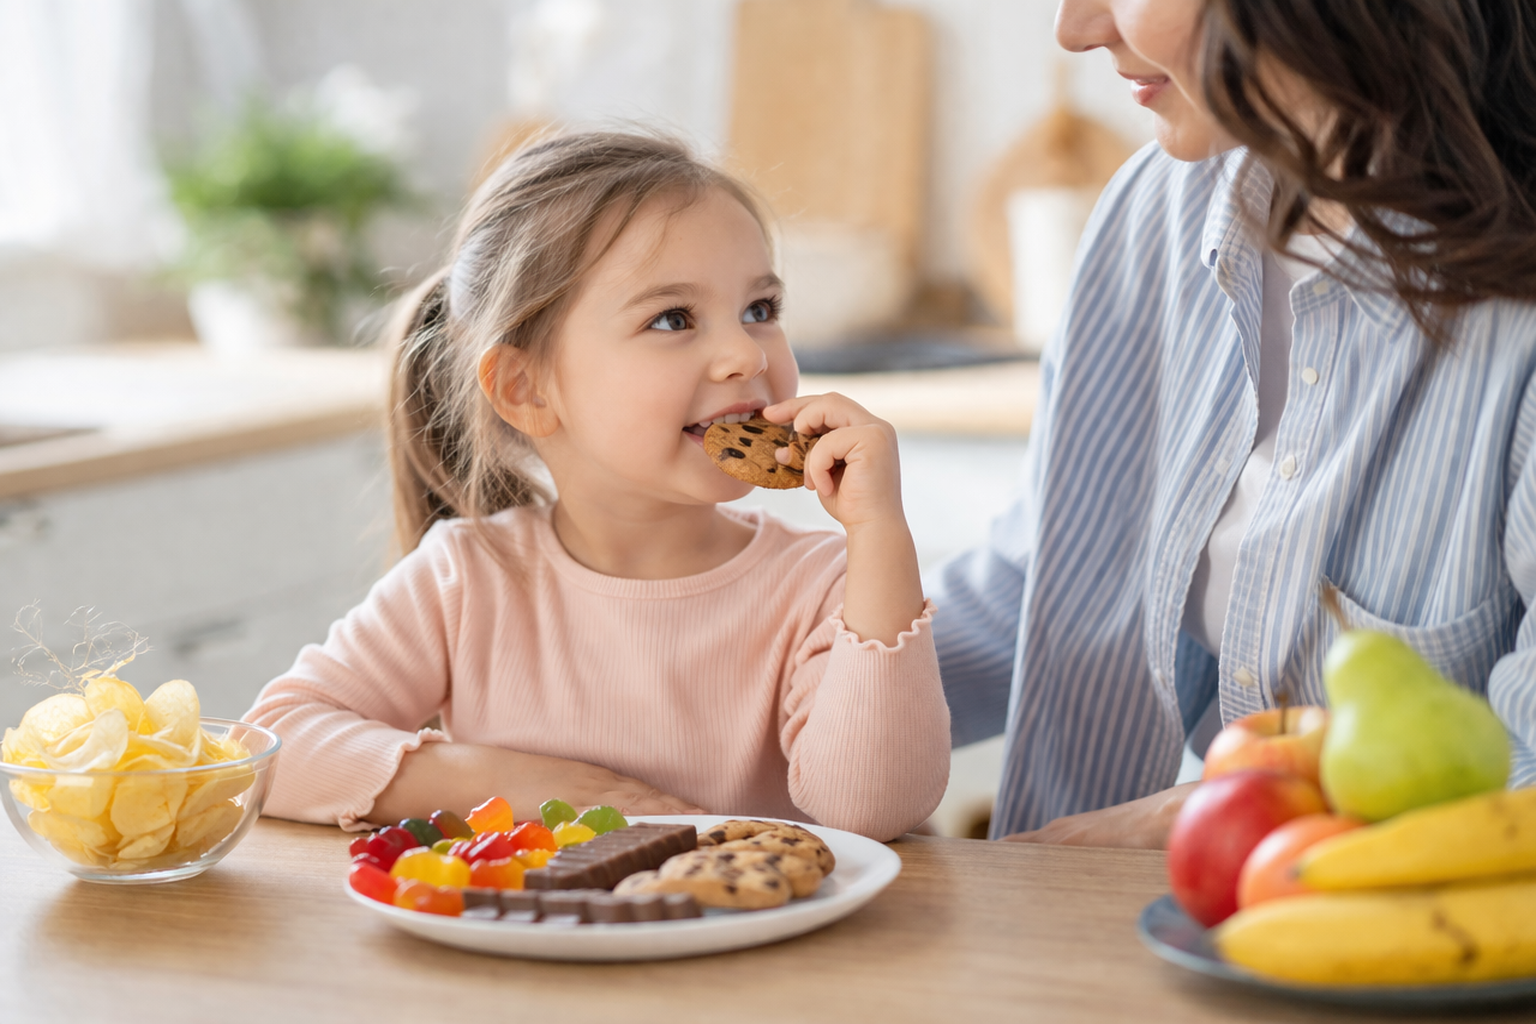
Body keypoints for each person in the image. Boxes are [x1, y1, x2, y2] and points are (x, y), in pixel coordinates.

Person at [932, 0, 1536, 846]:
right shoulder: (1156, 208)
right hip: (1141, 940)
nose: (1076, 30)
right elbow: (1049, 583)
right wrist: (739, 703)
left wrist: (1215, 822)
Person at [245, 131, 949, 841]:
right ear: (526, 389)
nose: (743, 354)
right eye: (672, 318)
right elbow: (267, 748)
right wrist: (513, 782)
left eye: (760, 310)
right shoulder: (468, 578)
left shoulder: (824, 585)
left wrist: (879, 535)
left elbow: (874, 810)